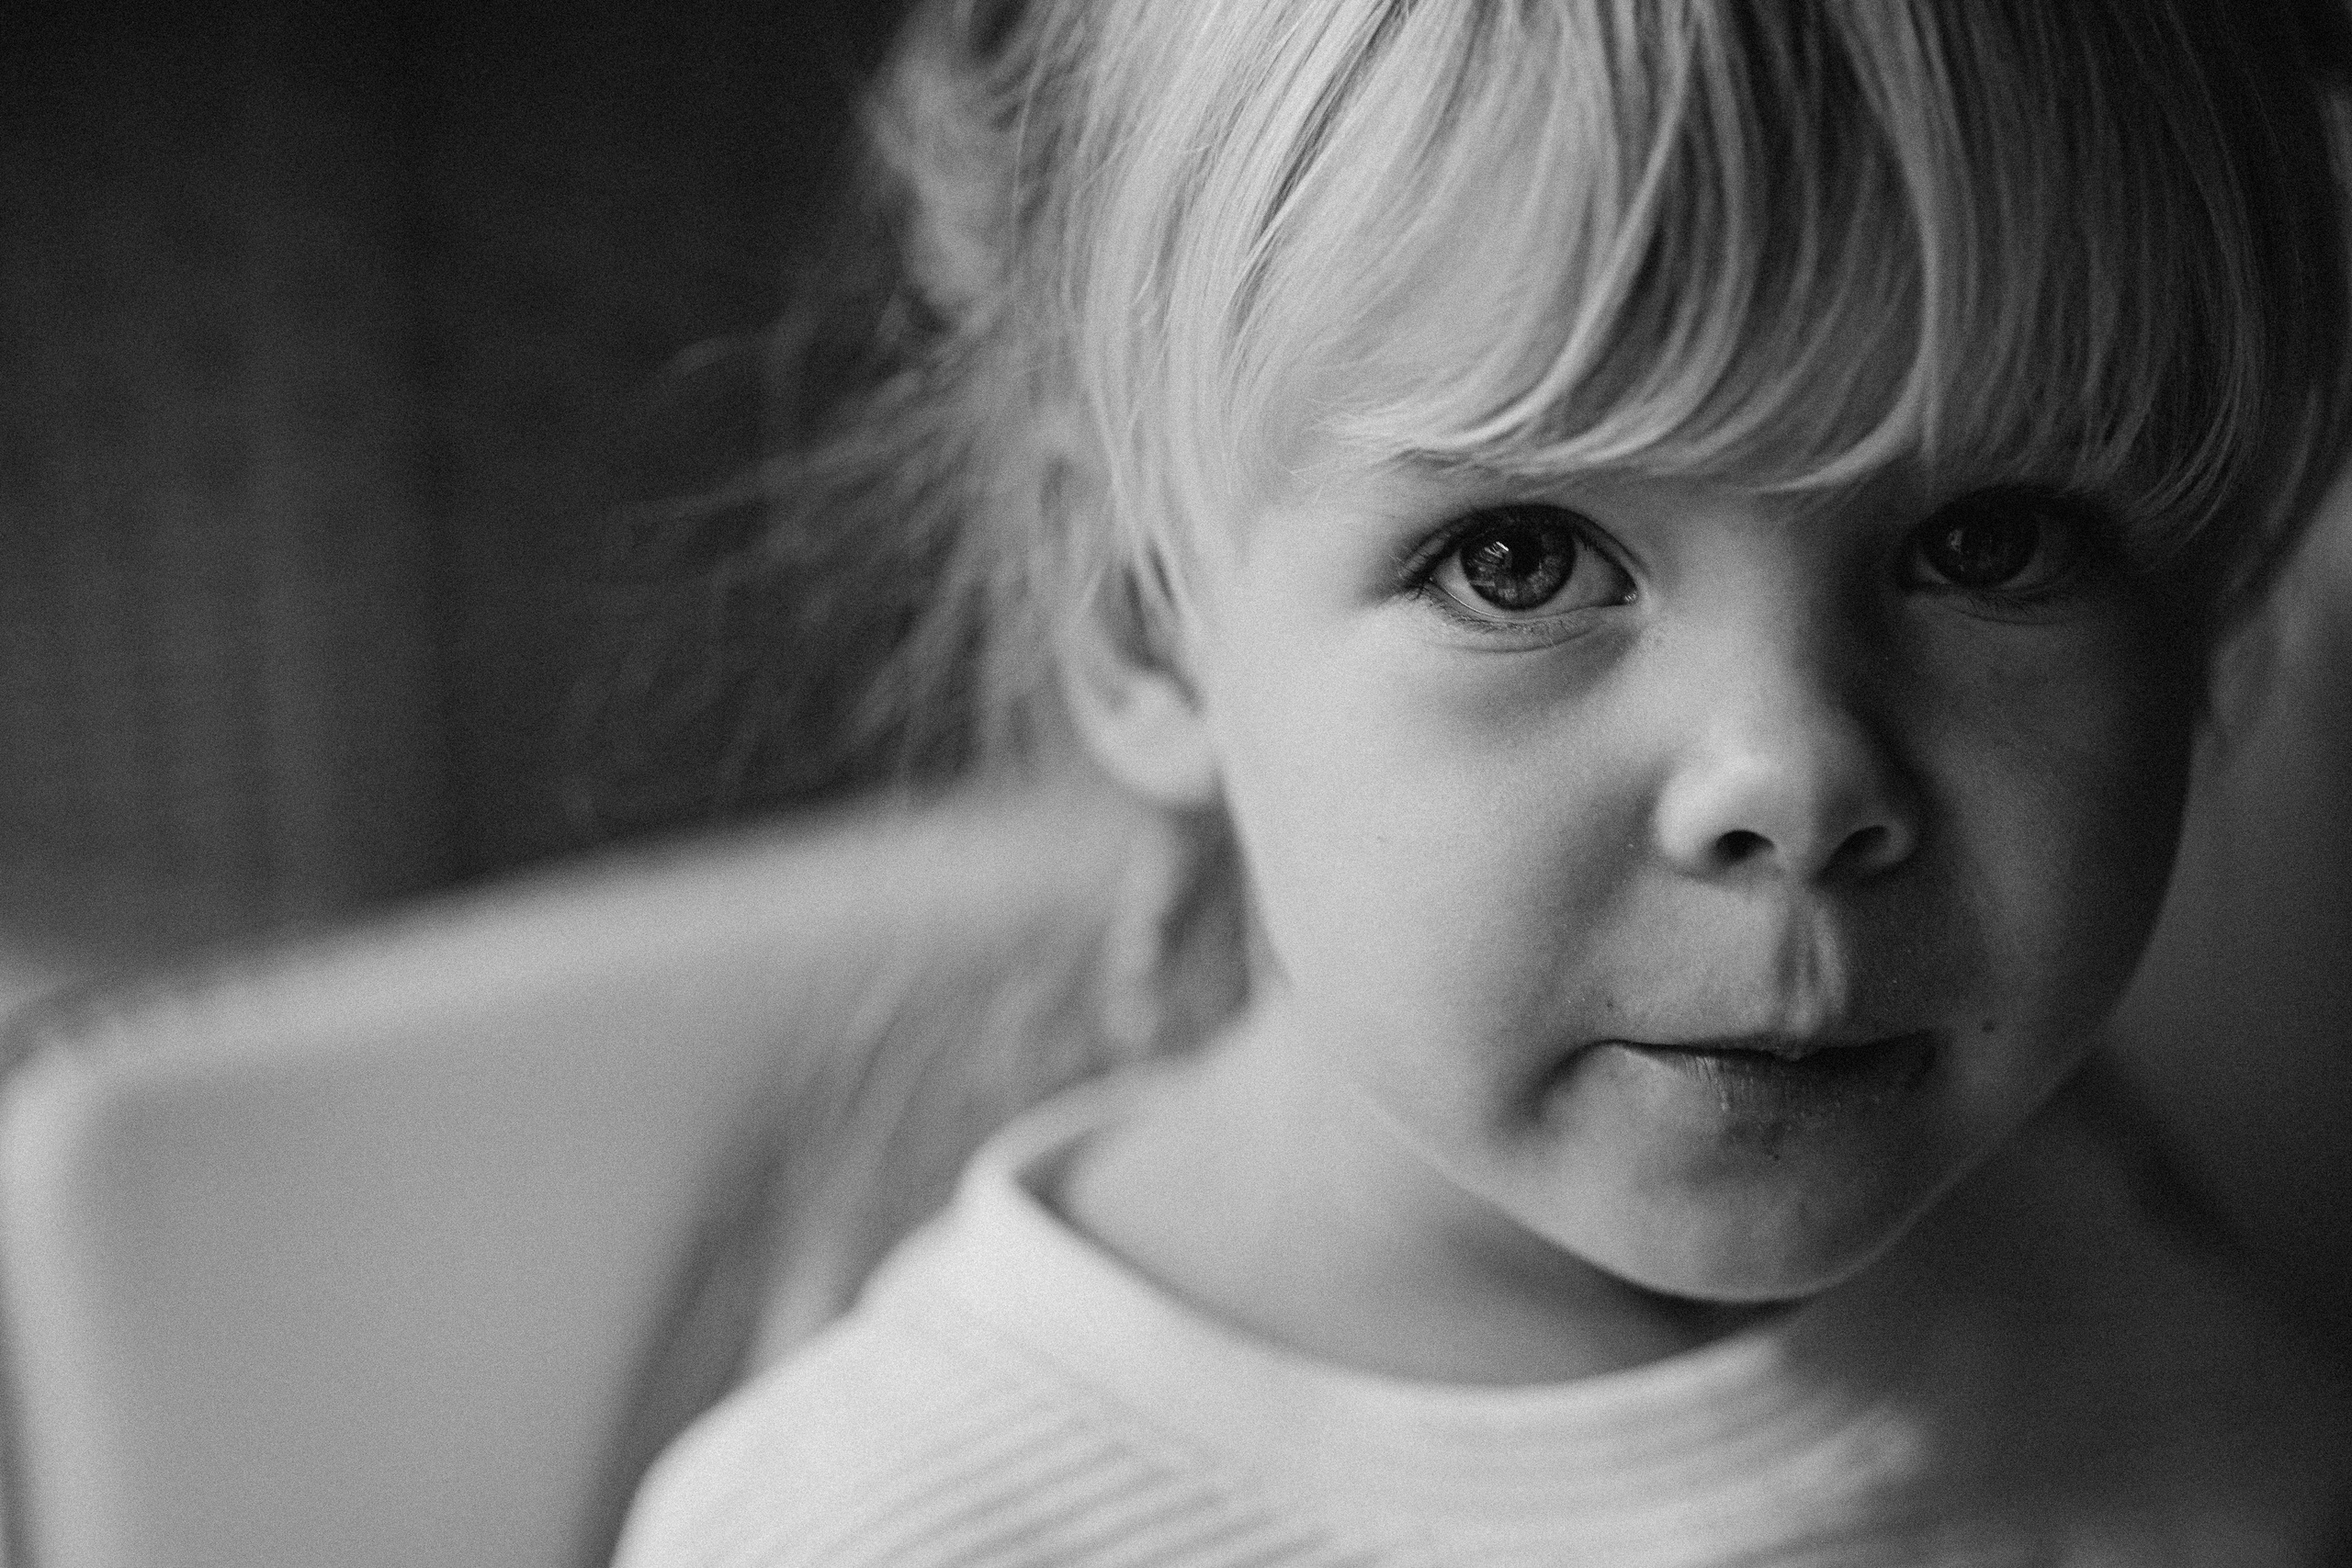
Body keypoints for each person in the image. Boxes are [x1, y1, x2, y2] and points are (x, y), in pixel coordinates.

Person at [614, 0, 2352, 1561]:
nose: (1796, 774)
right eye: (1520, 560)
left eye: (1993, 543)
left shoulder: (2157, 1329)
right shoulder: (874, 1528)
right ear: (1142, 619)